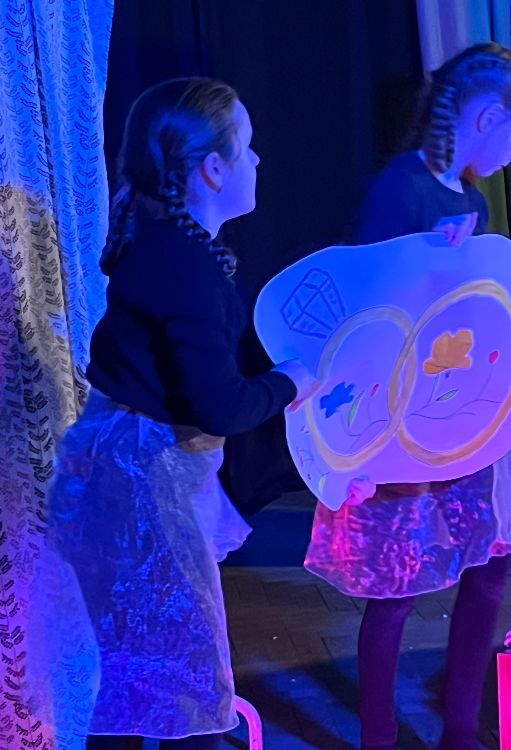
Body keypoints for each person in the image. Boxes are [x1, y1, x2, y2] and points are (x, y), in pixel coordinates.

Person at [42, 78, 317, 750]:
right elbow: (218, 404)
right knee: (174, 674)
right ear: (213, 169)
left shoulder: (174, 246)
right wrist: (291, 382)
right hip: (139, 485)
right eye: (248, 147)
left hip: (128, 471)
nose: (259, 160)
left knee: (140, 670)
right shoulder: (182, 262)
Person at [305, 42, 511, 750]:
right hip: (400, 428)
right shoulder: (399, 190)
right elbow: (366, 306)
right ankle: (379, 737)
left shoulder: (470, 199)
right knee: (397, 581)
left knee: (491, 561)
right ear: (487, 118)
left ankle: (461, 727)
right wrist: (430, 264)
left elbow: (471, 316)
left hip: (460, 418)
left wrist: (510, 284)